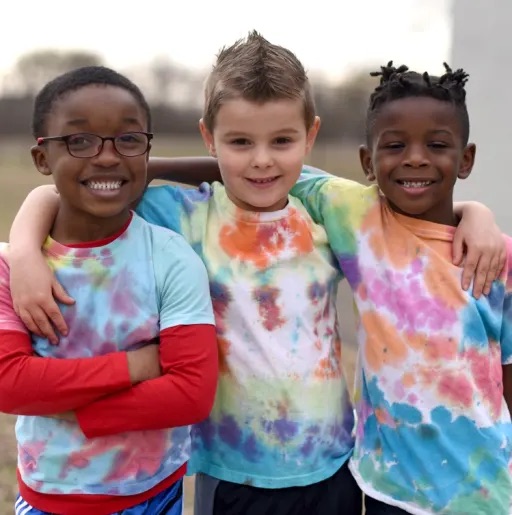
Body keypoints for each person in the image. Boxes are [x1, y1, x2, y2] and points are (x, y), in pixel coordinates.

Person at [6, 34, 505, 515]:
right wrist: (26, 247)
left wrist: (475, 213)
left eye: (282, 140)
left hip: (333, 468)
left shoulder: (329, 208)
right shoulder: (184, 213)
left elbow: (419, 207)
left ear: (310, 134)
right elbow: (83, 186)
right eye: (239, 142)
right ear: (209, 136)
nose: (262, 160)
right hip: (231, 473)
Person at [290, 62, 512, 514]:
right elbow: (257, 165)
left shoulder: (496, 257)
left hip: (482, 490)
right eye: (395, 145)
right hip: (390, 488)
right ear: (367, 162)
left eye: (436, 144)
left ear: (465, 159)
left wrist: (478, 213)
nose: (415, 157)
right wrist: (147, 168)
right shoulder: (355, 216)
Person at [0, 66, 218, 515]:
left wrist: (75, 411)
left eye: (128, 139)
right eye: (79, 141)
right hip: (48, 495)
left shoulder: (171, 257)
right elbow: (9, 384)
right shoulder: (11, 267)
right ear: (42, 159)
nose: (106, 157)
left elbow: (191, 393)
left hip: (153, 493)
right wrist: (137, 364)